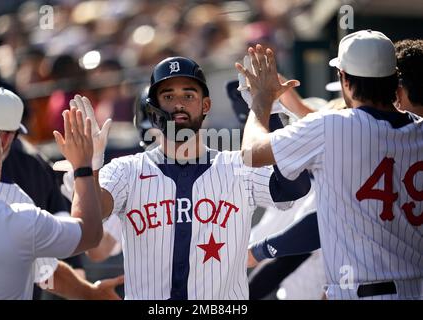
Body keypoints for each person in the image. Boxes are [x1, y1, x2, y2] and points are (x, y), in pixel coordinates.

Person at [57, 56, 310, 300]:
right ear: (152, 107)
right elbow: (93, 221)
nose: (178, 104)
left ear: (206, 105)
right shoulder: (125, 170)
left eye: (189, 95)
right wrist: (88, 169)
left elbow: (294, 188)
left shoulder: (237, 167)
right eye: (168, 96)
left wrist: (271, 108)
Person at [238, 30, 423, 299]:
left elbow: (251, 153)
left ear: (345, 80)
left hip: (362, 292)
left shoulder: (331, 127)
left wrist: (263, 102)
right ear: (394, 79)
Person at [0, 87, 121, 299]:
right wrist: (85, 168)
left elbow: (44, 271)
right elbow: (87, 236)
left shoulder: (20, 207)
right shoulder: (20, 211)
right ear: (6, 140)